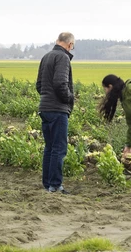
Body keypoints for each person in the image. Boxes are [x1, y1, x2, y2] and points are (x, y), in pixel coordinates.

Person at [36, 32, 75, 194]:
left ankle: (48, 184)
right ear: (70, 44)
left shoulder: (46, 57)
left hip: (44, 108)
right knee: (59, 148)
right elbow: (60, 83)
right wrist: (69, 98)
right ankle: (56, 186)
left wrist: (47, 97)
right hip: (58, 110)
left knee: (50, 148)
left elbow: (39, 85)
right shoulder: (63, 58)